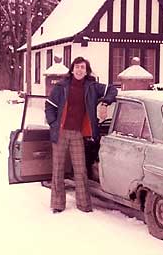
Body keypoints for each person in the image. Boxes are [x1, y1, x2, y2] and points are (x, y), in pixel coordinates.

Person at [45, 56, 118, 213]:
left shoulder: (92, 87)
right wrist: (53, 123)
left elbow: (112, 89)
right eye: (77, 67)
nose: (79, 70)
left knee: (80, 170)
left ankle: (84, 205)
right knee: (58, 169)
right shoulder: (61, 86)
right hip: (61, 132)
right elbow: (49, 106)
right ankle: (57, 205)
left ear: (86, 71)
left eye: (82, 67)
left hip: (78, 133)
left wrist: (105, 102)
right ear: (72, 69)